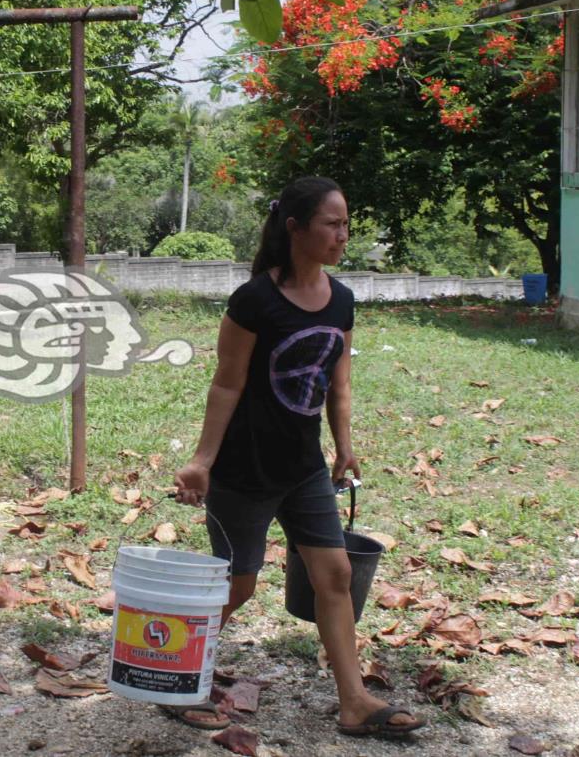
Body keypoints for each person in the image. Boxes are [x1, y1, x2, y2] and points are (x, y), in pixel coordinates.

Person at [169, 176, 425, 738]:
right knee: (237, 586)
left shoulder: (341, 299)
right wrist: (202, 460)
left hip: (303, 466)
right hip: (243, 469)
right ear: (295, 228)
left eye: (346, 225)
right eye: (332, 224)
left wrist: (345, 446)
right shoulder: (255, 300)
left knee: (333, 574)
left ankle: (354, 702)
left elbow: (339, 385)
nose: (342, 235)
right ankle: (171, 667)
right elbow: (226, 385)